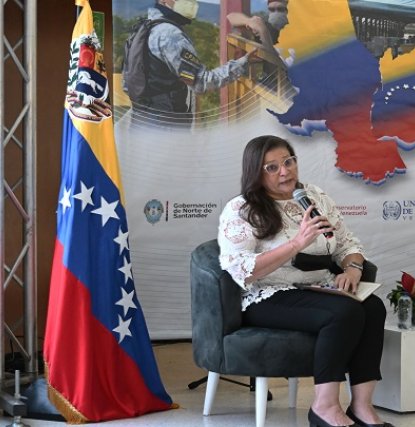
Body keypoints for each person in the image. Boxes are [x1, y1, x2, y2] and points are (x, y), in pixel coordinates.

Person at [217, 135, 394, 427]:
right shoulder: (241, 209)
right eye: (271, 167)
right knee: (344, 312)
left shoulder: (314, 197)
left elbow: (347, 244)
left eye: (288, 162)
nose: (284, 171)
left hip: (318, 287)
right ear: (256, 173)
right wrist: (297, 242)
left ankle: (361, 408)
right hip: (267, 294)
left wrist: (352, 270)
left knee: (373, 307)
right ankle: (324, 408)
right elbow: (242, 271)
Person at [123, 0, 251, 126]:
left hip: (141, 120)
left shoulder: (143, 28)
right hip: (166, 126)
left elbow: (127, 84)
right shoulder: (170, 34)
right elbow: (202, 82)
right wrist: (243, 63)